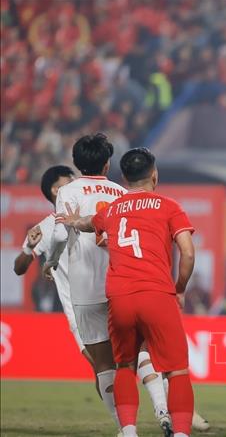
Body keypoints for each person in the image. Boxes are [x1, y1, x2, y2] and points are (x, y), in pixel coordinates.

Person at [57, 147, 196, 437]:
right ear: (154, 175)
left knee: (124, 366)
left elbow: (88, 223)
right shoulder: (169, 206)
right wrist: (180, 289)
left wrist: (73, 222)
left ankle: (129, 432)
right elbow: (188, 253)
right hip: (156, 293)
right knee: (177, 370)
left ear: (124, 177)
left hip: (119, 297)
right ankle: (181, 432)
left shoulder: (111, 210)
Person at [43, 134, 131, 429]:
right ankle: (162, 411)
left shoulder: (67, 192)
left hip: (85, 287)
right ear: (107, 164)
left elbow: (58, 235)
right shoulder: (121, 193)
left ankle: (125, 428)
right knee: (135, 356)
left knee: (104, 365)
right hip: (121, 282)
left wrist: (51, 261)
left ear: (77, 163)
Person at [13, 166, 93, 367]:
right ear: (56, 190)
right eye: (71, 182)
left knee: (110, 368)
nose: (76, 186)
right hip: (78, 313)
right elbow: (18, 268)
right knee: (102, 368)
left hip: (105, 301)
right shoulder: (45, 228)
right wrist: (29, 247)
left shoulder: (90, 215)